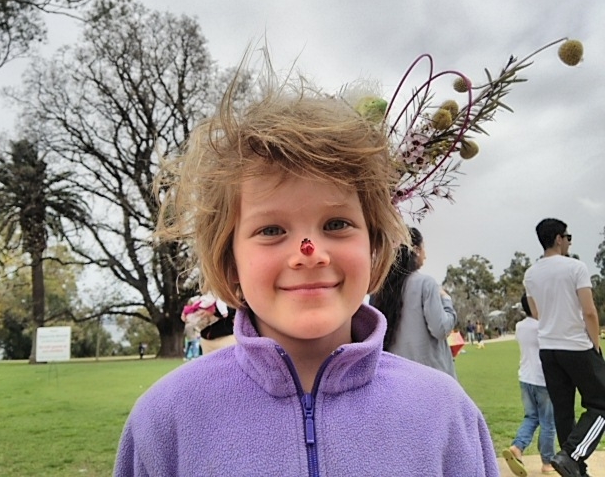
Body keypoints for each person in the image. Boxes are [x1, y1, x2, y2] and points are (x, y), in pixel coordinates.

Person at [114, 59, 499, 476]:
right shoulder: (166, 420)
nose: (309, 252)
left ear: (373, 247)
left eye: (336, 224)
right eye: (271, 229)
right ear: (230, 263)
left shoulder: (444, 413)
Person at [524, 218, 604, 477]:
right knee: (601, 402)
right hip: (576, 345)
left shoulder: (531, 273)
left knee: (563, 410)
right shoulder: (575, 267)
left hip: (548, 349)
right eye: (568, 236)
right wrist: (596, 343)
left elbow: (536, 313)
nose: (569, 241)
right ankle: (572, 455)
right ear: (558, 238)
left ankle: (576, 470)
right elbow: (590, 312)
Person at [371, 227, 458, 379]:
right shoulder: (426, 284)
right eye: (424, 248)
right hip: (432, 379)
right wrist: (447, 301)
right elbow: (441, 329)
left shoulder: (380, 291)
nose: (426, 255)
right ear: (416, 250)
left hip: (397, 380)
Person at [502, 293, 556, 476]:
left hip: (525, 378)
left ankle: (518, 446)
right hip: (544, 380)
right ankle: (547, 462)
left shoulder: (520, 327)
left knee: (531, 417)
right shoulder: (544, 327)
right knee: (548, 423)